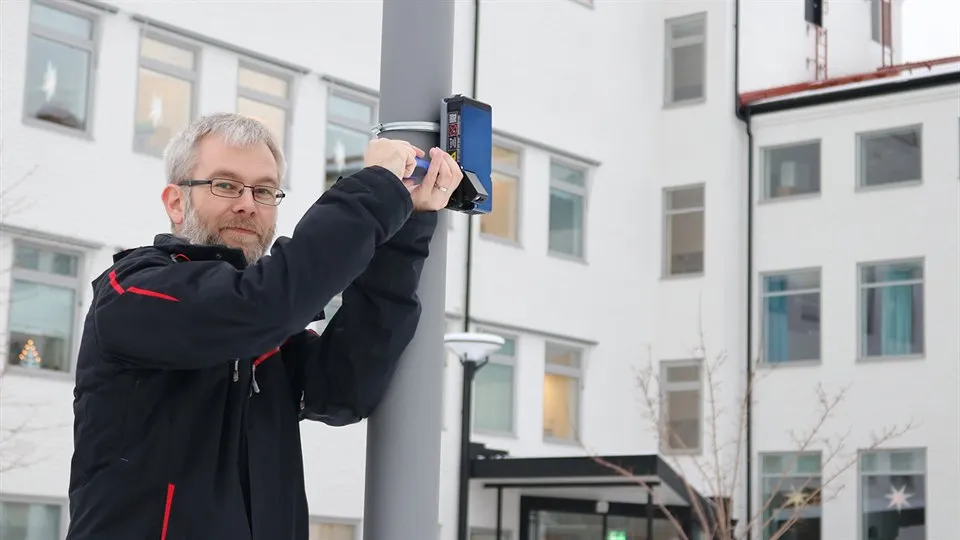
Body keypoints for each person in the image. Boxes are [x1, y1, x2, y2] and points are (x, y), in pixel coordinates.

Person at [65, 112, 463, 540]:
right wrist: (377, 187)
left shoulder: (267, 335)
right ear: (176, 202)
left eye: (265, 191)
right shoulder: (134, 293)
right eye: (225, 185)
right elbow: (262, 303)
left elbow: (344, 391)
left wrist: (406, 227)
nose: (247, 204)